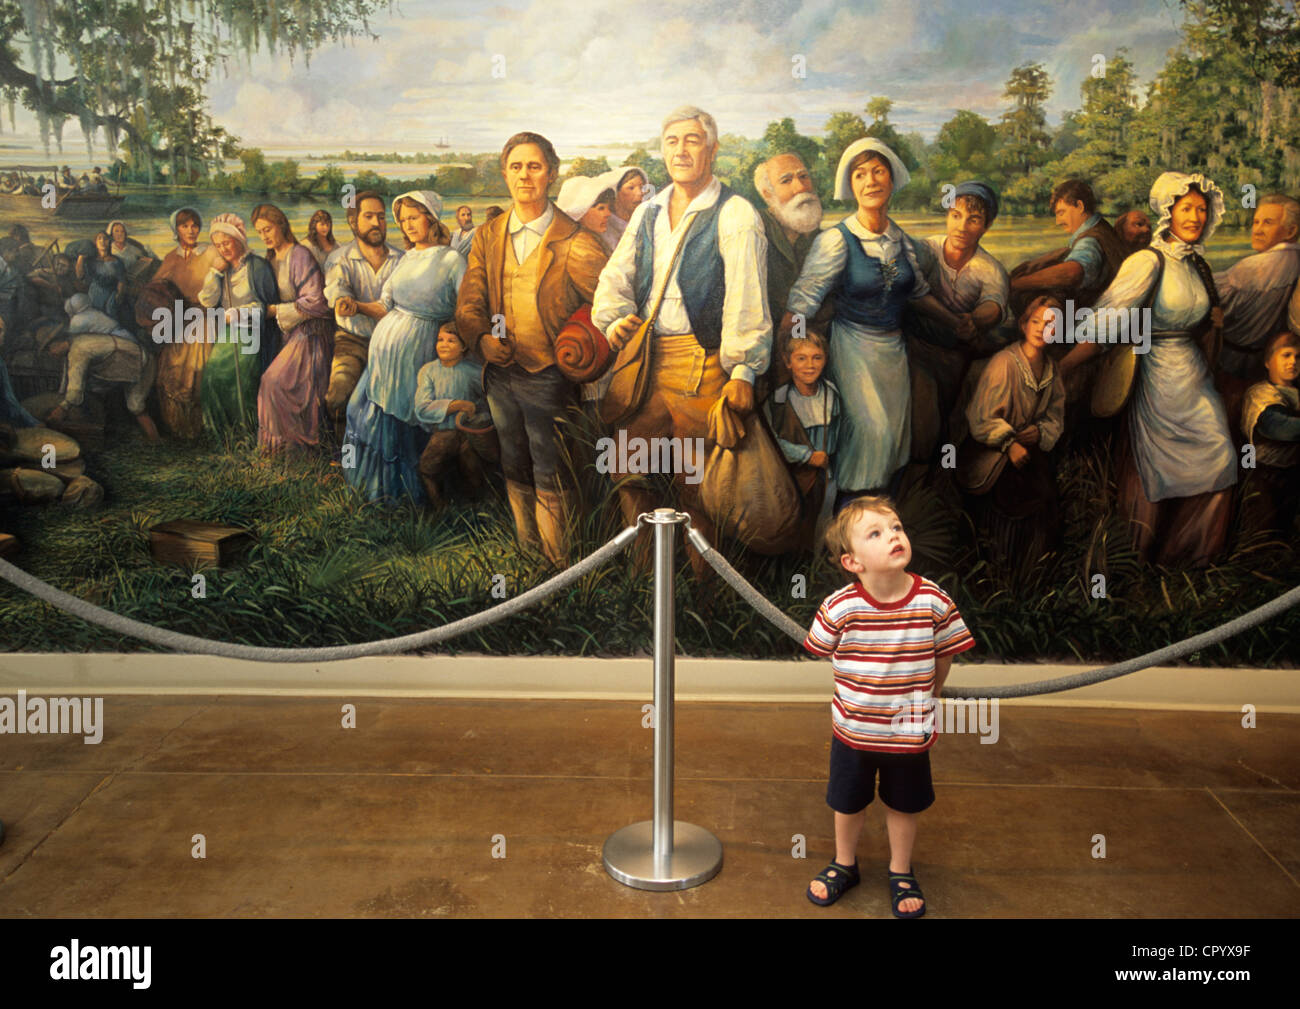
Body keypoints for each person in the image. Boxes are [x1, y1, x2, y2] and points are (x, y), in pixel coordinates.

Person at [593, 105, 771, 568]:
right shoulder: (649, 211)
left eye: (692, 140)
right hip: (648, 362)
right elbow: (616, 276)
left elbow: (747, 299)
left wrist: (745, 370)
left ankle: (707, 595)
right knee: (628, 468)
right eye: (672, 142)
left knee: (698, 483)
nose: (681, 150)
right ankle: (641, 578)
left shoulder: (735, 213)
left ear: (712, 149)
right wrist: (614, 320)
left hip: (707, 361)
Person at [802, 495, 975, 917]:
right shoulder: (841, 607)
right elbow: (822, 647)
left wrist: (931, 694)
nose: (893, 536)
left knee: (904, 803)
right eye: (875, 534)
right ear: (852, 562)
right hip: (854, 731)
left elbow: (946, 651)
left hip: (909, 731)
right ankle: (845, 863)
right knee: (848, 802)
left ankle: (900, 870)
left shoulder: (931, 600)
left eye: (896, 527)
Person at [780, 138, 974, 509]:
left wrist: (955, 322)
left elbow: (916, 291)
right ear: (850, 185)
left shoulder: (900, 239)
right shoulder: (836, 240)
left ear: (891, 179)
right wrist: (785, 352)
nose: (870, 181)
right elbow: (803, 302)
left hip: (893, 352)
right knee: (870, 436)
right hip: (852, 348)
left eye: (878, 171)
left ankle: (880, 530)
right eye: (860, 174)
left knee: (895, 443)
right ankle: (846, 528)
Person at [1059, 172, 1236, 567]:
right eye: (1186, 208)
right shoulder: (1147, 261)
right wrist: (1065, 367)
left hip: (1193, 374)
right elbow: (1108, 320)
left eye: (1202, 210)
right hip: (1154, 372)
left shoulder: (1197, 265)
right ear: (1168, 212)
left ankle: (1194, 558)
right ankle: (1139, 561)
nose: (1195, 217)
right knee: (1156, 470)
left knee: (1221, 458)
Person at [456, 131, 608, 564]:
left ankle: (558, 567)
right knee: (514, 463)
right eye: (517, 167)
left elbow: (607, 309)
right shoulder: (488, 235)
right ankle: (527, 559)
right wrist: (483, 338)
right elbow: (470, 301)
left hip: (551, 378)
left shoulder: (577, 241)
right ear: (505, 174)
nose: (525, 175)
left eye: (535, 166)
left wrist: (579, 346)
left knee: (552, 469)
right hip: (501, 375)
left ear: (552, 174)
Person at [345, 190, 464, 503]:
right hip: (384, 361)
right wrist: (356, 305)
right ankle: (371, 492)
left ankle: (408, 499)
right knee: (360, 412)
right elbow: (385, 305)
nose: (408, 225)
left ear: (431, 217)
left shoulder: (452, 259)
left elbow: (465, 310)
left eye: (414, 217)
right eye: (402, 220)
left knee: (410, 422)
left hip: (421, 352)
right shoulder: (405, 258)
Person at [957, 295, 1066, 571]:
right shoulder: (1005, 362)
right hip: (991, 449)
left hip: (1029, 452)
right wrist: (1010, 442)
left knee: (1046, 497)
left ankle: (1033, 574)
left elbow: (1054, 416)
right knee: (1009, 497)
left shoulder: (1052, 370)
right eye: (1036, 321)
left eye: (1051, 324)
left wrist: (1039, 432)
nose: (1042, 329)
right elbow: (981, 416)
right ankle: (998, 572)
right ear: (1024, 325)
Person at [908, 181, 1010, 460]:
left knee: (945, 411)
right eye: (956, 215)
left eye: (973, 219)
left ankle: (938, 465)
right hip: (914, 342)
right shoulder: (927, 248)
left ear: (986, 227)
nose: (962, 226)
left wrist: (974, 320)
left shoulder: (989, 269)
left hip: (953, 351)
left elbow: (994, 305)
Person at [253, 203, 335, 454]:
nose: (264, 236)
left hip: (310, 334)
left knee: (272, 382)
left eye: (268, 229)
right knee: (269, 381)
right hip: (287, 334)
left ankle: (294, 448)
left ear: (281, 226)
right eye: (259, 232)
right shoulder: (270, 258)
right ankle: (277, 450)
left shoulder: (298, 254)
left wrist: (275, 311)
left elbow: (317, 301)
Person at [323, 191, 404, 444]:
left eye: (381, 217)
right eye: (368, 216)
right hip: (352, 339)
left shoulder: (401, 259)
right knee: (338, 396)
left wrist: (357, 305)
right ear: (352, 222)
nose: (376, 223)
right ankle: (343, 457)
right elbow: (337, 288)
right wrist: (342, 301)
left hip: (392, 342)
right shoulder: (340, 258)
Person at [197, 213, 280, 437]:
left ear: (239, 240)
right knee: (213, 378)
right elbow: (207, 300)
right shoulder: (223, 271)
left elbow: (266, 308)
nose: (222, 249)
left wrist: (234, 315)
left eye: (226, 243)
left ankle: (249, 435)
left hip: (254, 334)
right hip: (228, 334)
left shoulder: (257, 266)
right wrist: (215, 272)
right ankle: (224, 436)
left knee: (241, 380)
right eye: (217, 245)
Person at [763, 328, 840, 550]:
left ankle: (815, 566)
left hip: (826, 474)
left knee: (822, 524)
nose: (810, 365)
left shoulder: (831, 394)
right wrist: (806, 456)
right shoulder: (779, 399)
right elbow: (771, 440)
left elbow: (837, 434)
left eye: (817, 358)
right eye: (801, 358)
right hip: (790, 473)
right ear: (788, 363)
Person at [45, 293, 159, 440]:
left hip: (136, 360)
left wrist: (62, 408)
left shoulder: (79, 347)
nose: (52, 353)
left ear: (59, 343)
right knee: (136, 407)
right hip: (143, 359)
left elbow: (75, 384)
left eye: (52, 349)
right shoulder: (85, 341)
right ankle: (156, 442)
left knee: (132, 404)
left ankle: (153, 442)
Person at [1213, 194, 1300, 385]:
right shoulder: (1296, 260)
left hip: (1236, 366)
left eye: (1267, 223)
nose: (1257, 230)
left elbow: (1207, 300)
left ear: (1290, 231)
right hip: (1269, 368)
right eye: (1256, 222)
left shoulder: (1253, 267)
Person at [1008, 179, 1129, 316]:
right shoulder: (1102, 228)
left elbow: (1073, 273)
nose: (1058, 222)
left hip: (1094, 319)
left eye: (1061, 213)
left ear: (1079, 206)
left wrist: (1016, 284)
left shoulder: (1090, 240)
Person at [152, 207, 224, 437]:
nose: (191, 230)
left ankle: (204, 429)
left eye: (194, 225)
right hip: (179, 319)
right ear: (177, 230)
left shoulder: (211, 252)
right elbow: (155, 289)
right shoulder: (171, 258)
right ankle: (179, 429)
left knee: (199, 369)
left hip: (206, 316)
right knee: (171, 369)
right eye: (185, 226)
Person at [754, 151, 824, 385]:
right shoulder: (754, 231)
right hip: (762, 362)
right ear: (767, 194)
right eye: (787, 180)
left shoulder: (824, 240)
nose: (801, 187)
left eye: (804, 177)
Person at [413, 322, 489, 506]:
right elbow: (422, 408)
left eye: (451, 341)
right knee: (428, 467)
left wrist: (476, 412)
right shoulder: (429, 371)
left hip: (471, 433)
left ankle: (476, 510)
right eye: (440, 340)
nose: (444, 344)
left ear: (463, 346)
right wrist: (456, 405)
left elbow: (488, 401)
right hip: (444, 432)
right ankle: (440, 507)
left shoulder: (474, 372)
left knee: (473, 471)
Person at [1240, 331, 1300, 534]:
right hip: (1265, 476)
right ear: (1267, 361)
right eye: (1286, 355)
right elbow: (1279, 427)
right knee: (1266, 534)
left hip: (1293, 473)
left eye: (1298, 357)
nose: (1293, 362)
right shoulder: (1260, 394)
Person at [75, 231, 130, 329]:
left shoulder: (116, 261)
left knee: (112, 320)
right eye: (99, 238)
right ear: (95, 243)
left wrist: (119, 295)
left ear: (109, 242)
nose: (102, 241)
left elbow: (122, 280)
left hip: (111, 295)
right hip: (95, 293)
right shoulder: (90, 261)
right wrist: (81, 257)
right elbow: (80, 276)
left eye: (105, 238)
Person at [604, 166, 650, 253]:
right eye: (631, 188)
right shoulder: (605, 228)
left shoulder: (645, 222)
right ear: (616, 193)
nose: (640, 193)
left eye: (642, 188)